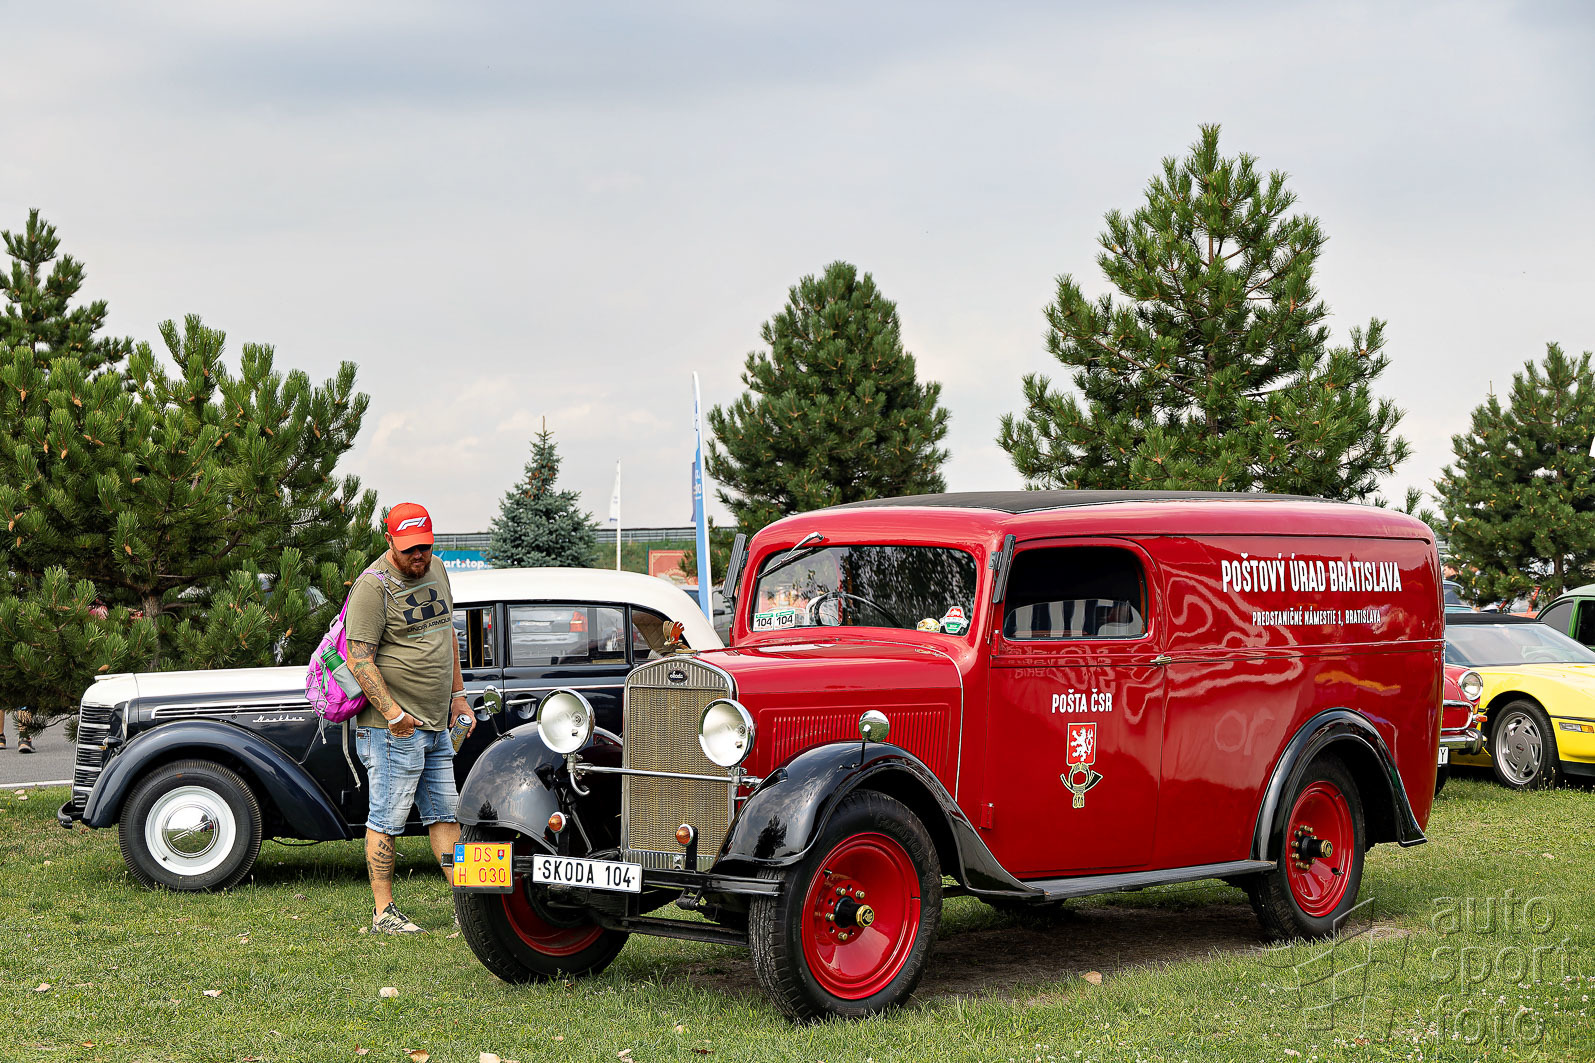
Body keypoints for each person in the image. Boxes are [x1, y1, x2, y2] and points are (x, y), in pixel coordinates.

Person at [344, 502, 474, 934]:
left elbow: (447, 634)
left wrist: (458, 697)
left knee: (445, 815)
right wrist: (393, 713)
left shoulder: (438, 569)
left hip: (435, 724)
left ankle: (467, 906)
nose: (418, 556)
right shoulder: (373, 586)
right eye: (409, 549)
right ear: (389, 541)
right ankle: (383, 913)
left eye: (424, 546)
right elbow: (359, 659)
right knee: (387, 819)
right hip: (391, 730)